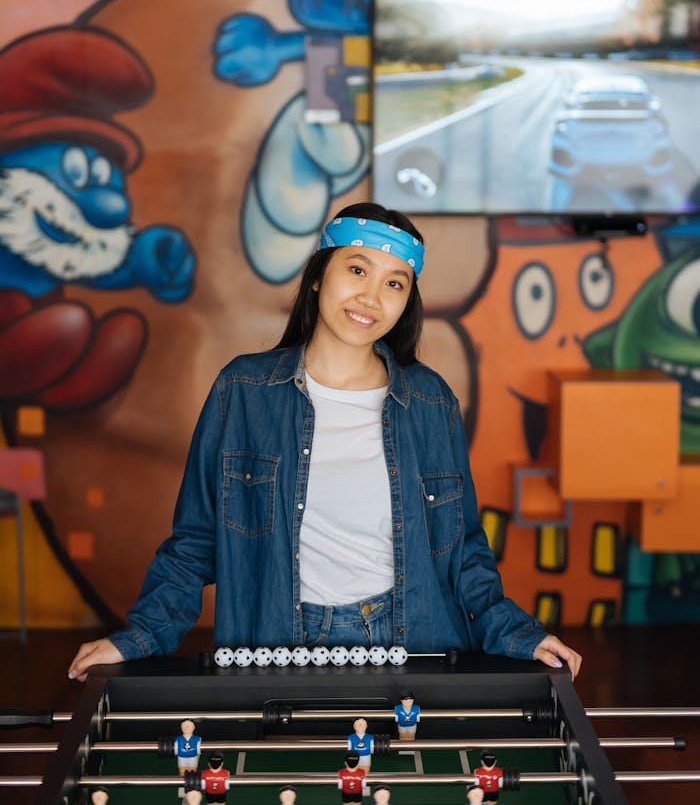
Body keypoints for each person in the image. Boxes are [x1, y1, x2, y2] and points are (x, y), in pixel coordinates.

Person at [68, 202, 582, 680]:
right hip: (277, 645)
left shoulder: (431, 402)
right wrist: (138, 637)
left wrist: (518, 634)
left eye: (395, 284)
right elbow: (196, 542)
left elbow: (465, 549)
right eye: (357, 270)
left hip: (413, 644)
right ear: (318, 277)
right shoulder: (243, 392)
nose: (371, 298)